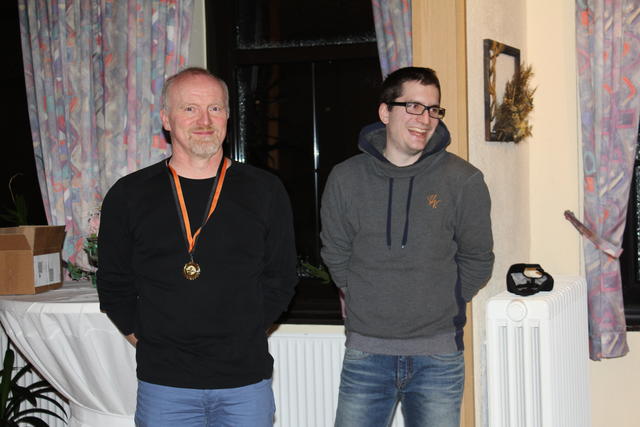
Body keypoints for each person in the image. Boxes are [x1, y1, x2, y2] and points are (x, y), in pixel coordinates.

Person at [97, 67, 298, 427]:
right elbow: (114, 284)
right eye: (190, 108)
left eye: (215, 108)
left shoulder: (265, 190)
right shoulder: (128, 195)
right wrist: (151, 341)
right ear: (166, 119)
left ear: (227, 117)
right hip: (165, 386)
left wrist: (245, 332)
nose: (204, 120)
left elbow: (281, 278)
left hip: (245, 383)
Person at [320, 66, 494, 427]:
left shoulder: (463, 180)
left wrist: (446, 300)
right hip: (366, 354)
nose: (425, 119)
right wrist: (363, 296)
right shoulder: (346, 178)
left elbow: (478, 257)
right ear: (385, 112)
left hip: (438, 359)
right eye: (413, 106)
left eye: (433, 109)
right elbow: (335, 251)